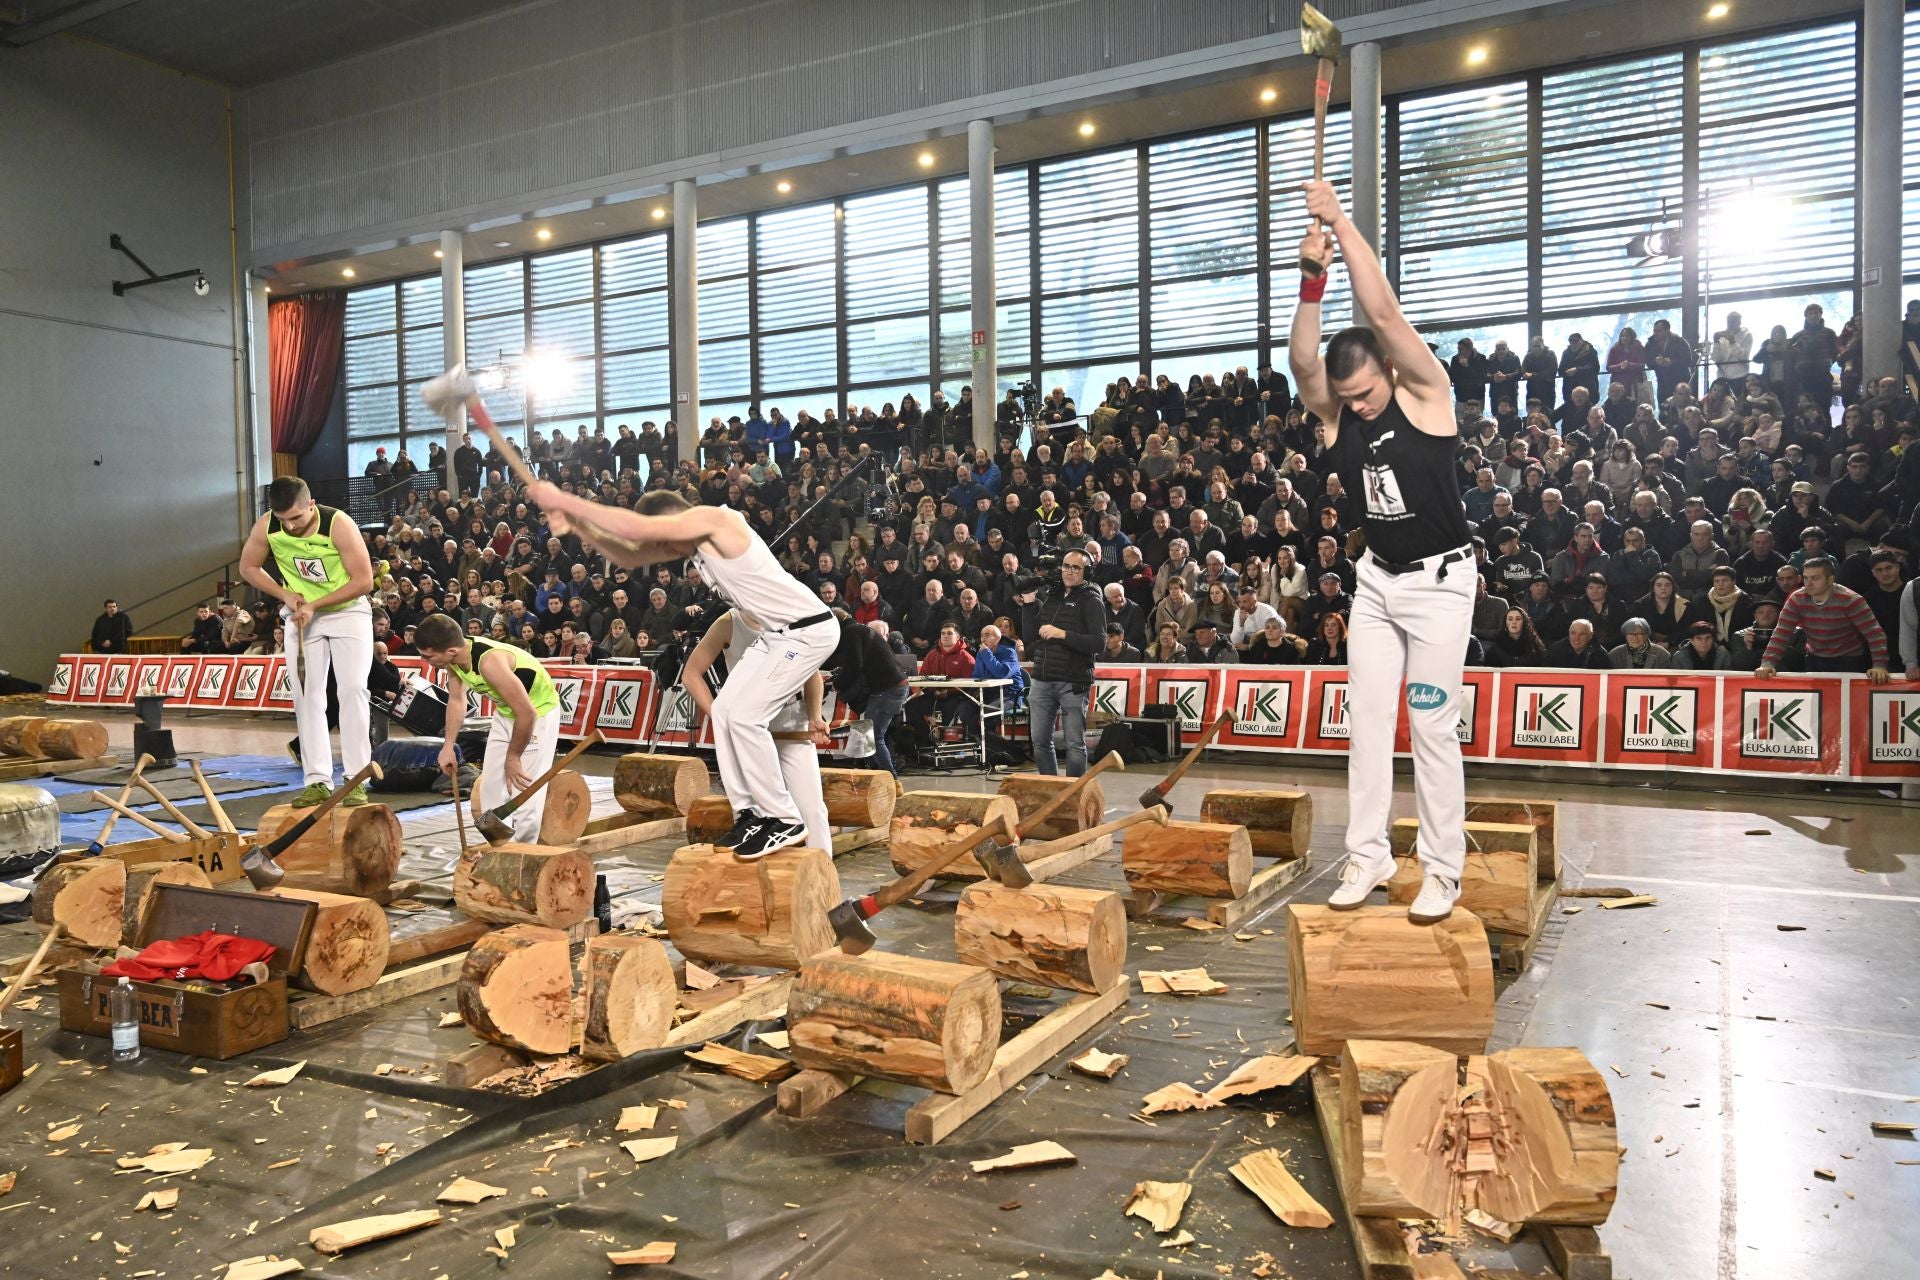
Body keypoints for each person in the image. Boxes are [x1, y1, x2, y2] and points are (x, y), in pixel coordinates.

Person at [1290, 178, 1477, 923]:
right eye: (1351, 397)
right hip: (1377, 583)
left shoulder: (1426, 393)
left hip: (1441, 585)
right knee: (1366, 725)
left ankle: (1442, 870)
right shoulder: (1340, 416)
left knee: (1430, 727)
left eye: (1366, 392)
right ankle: (1367, 857)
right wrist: (1311, 276)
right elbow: (1305, 360)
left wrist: (1341, 219)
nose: (1359, 405)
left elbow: (1385, 312)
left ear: (1388, 373)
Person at [526, 480, 839, 859]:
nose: (664, 551)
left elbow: (637, 532)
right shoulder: (699, 553)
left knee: (743, 717)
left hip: (808, 631)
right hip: (777, 636)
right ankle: (750, 814)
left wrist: (568, 501)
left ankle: (783, 817)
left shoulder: (719, 522)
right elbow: (626, 552)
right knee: (724, 712)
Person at [240, 477, 376, 807]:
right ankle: (317, 780)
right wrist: (286, 595)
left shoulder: (338, 524)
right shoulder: (268, 526)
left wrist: (316, 604)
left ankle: (356, 778)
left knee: (352, 690)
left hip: (346, 613)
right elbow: (248, 567)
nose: (290, 525)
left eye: (296, 518)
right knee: (307, 695)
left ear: (311, 505)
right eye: (283, 518)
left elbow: (364, 581)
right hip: (301, 616)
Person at [682, 609, 830, 854]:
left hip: (788, 719)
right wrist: (722, 717)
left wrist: (814, 716)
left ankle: (824, 880)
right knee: (754, 816)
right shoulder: (728, 623)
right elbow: (691, 673)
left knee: (811, 807)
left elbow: (811, 675)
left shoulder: (788, 617)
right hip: (745, 724)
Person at [413, 613, 560, 838]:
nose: (425, 661)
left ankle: (522, 857)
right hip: (506, 713)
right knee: (491, 790)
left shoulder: (490, 664)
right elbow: (457, 700)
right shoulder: (455, 660)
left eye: (428, 656)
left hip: (538, 713)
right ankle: (499, 849)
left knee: (525, 793)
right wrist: (448, 745)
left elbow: (527, 713)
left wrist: (513, 757)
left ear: (450, 651)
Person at [1016, 548, 1105, 777]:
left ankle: (1074, 795)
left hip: (1073, 681)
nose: (1069, 571)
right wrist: (1028, 605)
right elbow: (1030, 637)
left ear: (1087, 572)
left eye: (1076, 567)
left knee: (1074, 744)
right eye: (1066, 566)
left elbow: (1098, 643)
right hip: (1042, 679)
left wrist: (1061, 634)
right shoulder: (1052, 597)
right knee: (1039, 743)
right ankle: (1051, 791)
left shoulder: (1091, 599)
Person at [1757, 556, 1889, 681]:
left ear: (1830, 579)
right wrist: (1768, 663)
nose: (1809, 583)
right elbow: (1781, 633)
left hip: (1849, 659)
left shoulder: (1850, 600)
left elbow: (1875, 634)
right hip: (1814, 658)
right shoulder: (1797, 598)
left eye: (1815, 578)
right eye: (1806, 578)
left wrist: (1879, 666)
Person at [827, 618, 912, 777]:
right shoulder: (862, 632)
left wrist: (838, 684)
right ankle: (884, 775)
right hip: (891, 688)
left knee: (873, 737)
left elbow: (854, 667)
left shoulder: (852, 633)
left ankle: (891, 779)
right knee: (875, 735)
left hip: (887, 690)